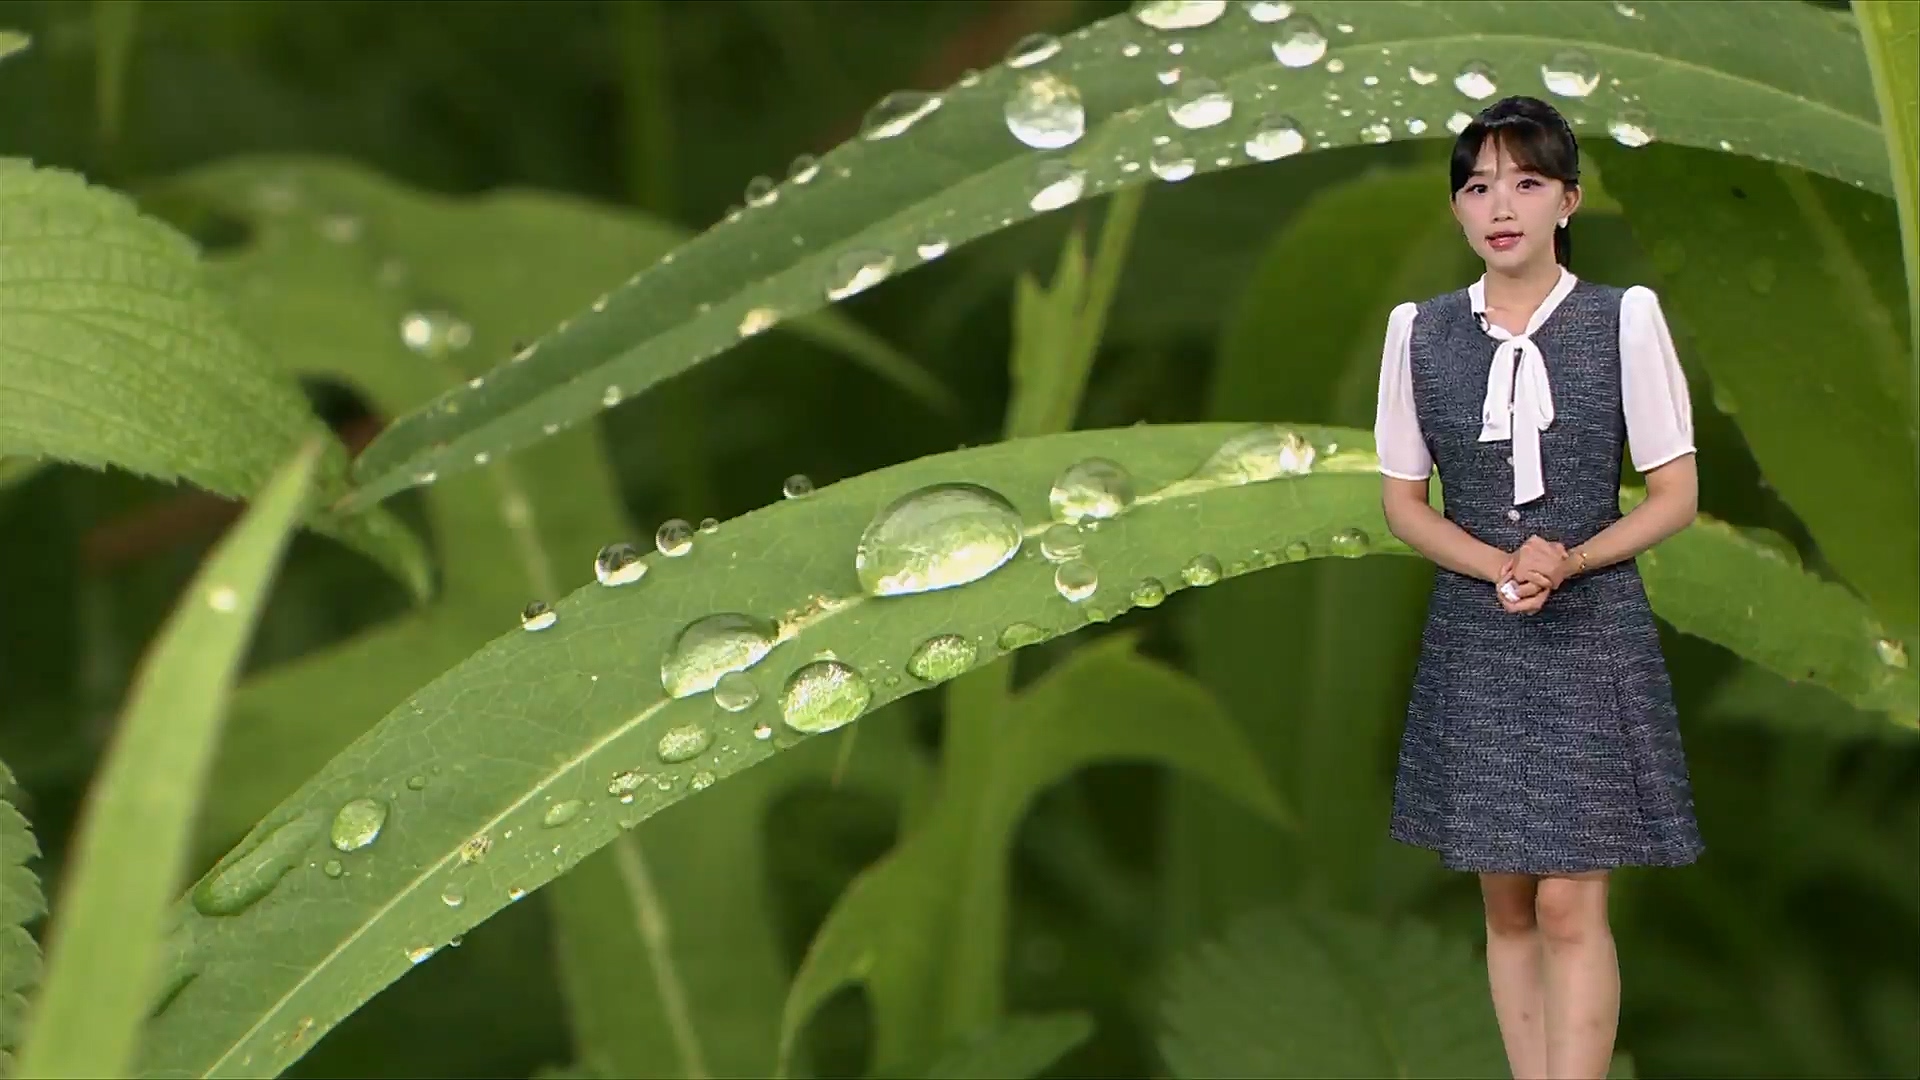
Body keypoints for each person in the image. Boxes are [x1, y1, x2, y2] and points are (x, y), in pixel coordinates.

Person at [1371, 95, 1706, 1080]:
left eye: (1525, 182)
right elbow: (1403, 504)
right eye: (1478, 187)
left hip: (1590, 624)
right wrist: (1497, 567)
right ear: (1456, 209)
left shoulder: (1622, 319)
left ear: (1569, 199)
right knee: (1506, 897)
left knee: (1569, 899)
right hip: (1479, 628)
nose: (1501, 206)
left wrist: (1570, 559)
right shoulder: (1418, 332)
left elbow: (1676, 495)